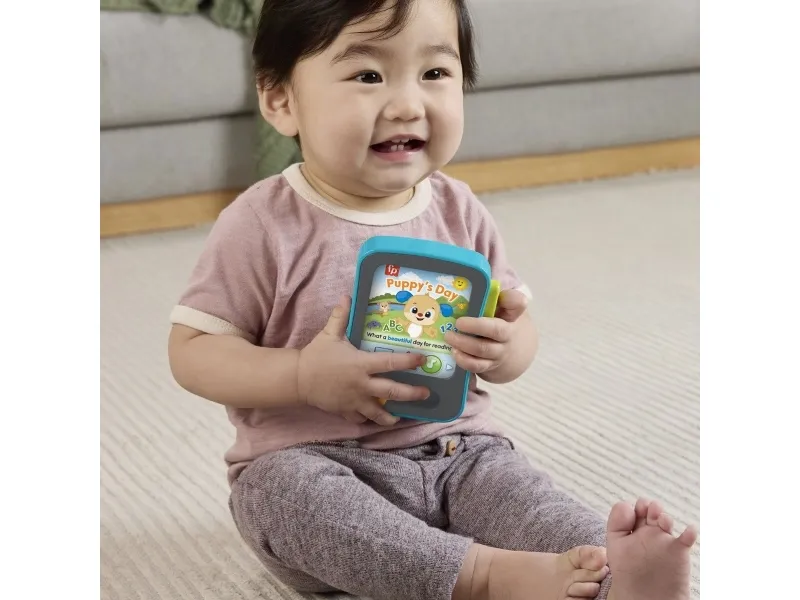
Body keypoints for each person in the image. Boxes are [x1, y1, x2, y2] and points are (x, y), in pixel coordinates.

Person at [167, 1, 698, 599]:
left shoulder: (459, 209)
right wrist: (300, 375)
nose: (407, 104)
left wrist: (505, 348)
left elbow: (518, 325)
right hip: (316, 461)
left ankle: (622, 579)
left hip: (460, 452)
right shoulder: (261, 223)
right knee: (277, 498)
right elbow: (192, 350)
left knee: (532, 505)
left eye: (435, 73)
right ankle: (485, 576)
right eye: (368, 75)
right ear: (280, 100)